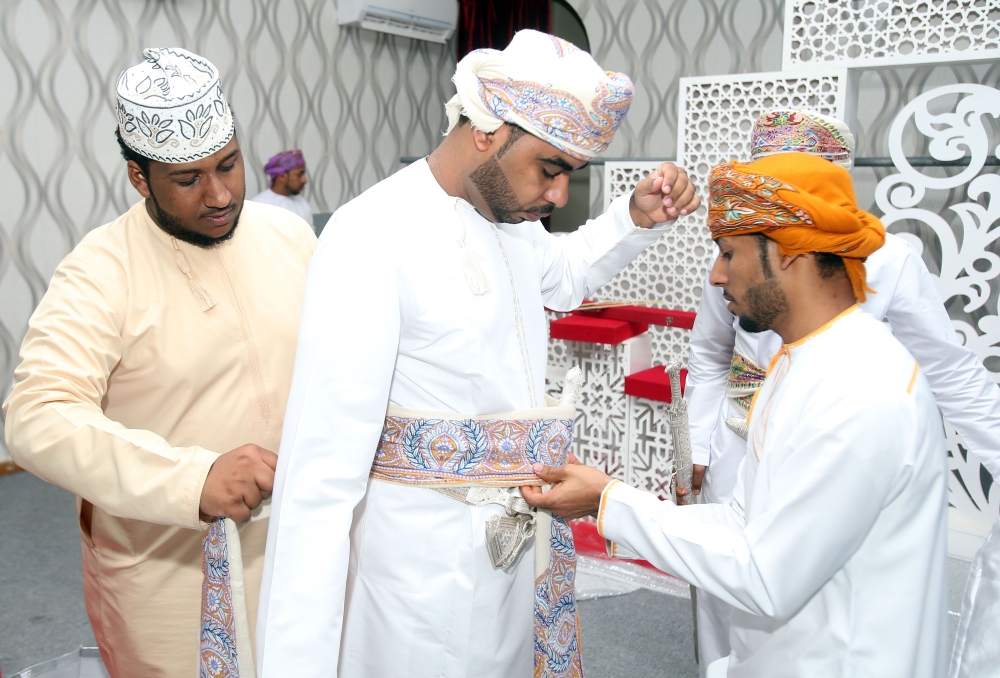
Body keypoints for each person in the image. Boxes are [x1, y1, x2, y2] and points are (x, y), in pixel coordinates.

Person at [254, 30, 699, 676]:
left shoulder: (513, 225)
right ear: (488, 129)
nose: (556, 197)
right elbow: (319, 483)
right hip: (416, 573)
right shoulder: (373, 234)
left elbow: (565, 274)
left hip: (513, 554)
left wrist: (633, 217)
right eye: (550, 170)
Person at [524, 152, 950, 677]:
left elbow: (766, 574)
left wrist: (609, 499)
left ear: (789, 253)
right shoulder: (800, 361)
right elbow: (742, 521)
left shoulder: (863, 389)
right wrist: (606, 501)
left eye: (729, 253)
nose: (718, 274)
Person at [2, 48, 316, 677]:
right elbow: (36, 418)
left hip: (297, 549)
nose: (221, 193)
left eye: (228, 165)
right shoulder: (100, 271)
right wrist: (192, 480)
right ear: (139, 178)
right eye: (188, 178)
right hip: (171, 574)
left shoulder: (289, 238)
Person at [683, 109, 1000, 673]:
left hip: (828, 439)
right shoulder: (738, 259)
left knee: (806, 598)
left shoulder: (887, 259)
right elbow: (709, 354)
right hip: (739, 440)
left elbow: (947, 369)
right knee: (719, 590)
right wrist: (699, 450)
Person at [251, 150, 312, 223]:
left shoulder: (302, 203)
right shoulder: (259, 205)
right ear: (282, 176)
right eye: (299, 175)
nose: (304, 181)